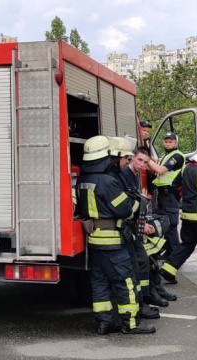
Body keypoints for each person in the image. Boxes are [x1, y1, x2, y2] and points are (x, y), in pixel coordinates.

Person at [76, 135, 156, 335]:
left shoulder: (83, 179)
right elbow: (125, 210)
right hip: (113, 240)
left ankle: (104, 323)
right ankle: (130, 323)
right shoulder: (108, 181)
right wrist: (137, 202)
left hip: (94, 240)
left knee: (100, 283)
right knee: (125, 281)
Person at [108, 138, 160, 318]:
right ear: (131, 158)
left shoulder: (133, 174)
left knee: (144, 261)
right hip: (128, 227)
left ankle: (147, 296)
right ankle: (142, 301)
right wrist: (142, 223)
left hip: (133, 225)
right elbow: (126, 206)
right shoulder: (124, 174)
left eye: (146, 163)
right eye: (139, 160)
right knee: (138, 264)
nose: (142, 165)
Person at [160, 139, 197, 286]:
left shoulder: (186, 167)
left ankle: (168, 269)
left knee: (186, 244)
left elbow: (174, 186)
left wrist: (182, 200)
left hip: (187, 214)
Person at [148, 132, 185, 283]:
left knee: (170, 227)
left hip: (169, 196)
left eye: (171, 142)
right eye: (166, 141)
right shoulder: (166, 157)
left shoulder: (177, 156)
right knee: (165, 225)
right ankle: (170, 256)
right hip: (163, 195)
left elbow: (160, 171)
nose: (168, 144)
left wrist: (145, 159)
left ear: (176, 143)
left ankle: (175, 260)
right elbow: (157, 167)